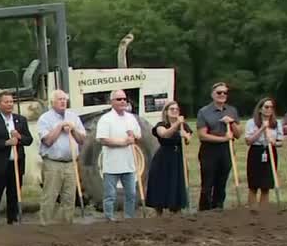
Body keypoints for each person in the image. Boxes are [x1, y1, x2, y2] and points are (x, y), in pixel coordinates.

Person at [0, 91, 33, 227]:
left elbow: (29, 140)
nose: (10, 104)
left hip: (16, 163)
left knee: (14, 194)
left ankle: (13, 220)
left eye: (11, 101)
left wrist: (20, 137)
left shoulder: (20, 120)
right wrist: (5, 143)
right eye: (6, 102)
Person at [35, 89, 86, 225]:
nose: (63, 101)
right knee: (50, 195)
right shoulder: (45, 118)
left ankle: (66, 224)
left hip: (71, 163)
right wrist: (60, 126)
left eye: (64, 99)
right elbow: (47, 141)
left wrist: (73, 129)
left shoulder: (73, 117)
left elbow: (82, 140)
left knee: (69, 197)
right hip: (53, 163)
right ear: (52, 102)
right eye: (60, 99)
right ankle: (45, 225)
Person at [95, 90, 142, 220]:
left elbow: (138, 135)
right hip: (112, 165)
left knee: (131, 194)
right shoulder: (106, 119)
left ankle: (129, 218)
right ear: (112, 102)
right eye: (119, 99)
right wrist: (123, 142)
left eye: (124, 99)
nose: (122, 101)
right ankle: (109, 218)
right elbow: (103, 139)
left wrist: (134, 136)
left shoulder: (131, 118)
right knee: (110, 195)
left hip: (129, 164)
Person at [195, 82, 240, 210]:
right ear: (212, 95)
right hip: (209, 150)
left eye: (225, 93)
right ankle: (204, 210)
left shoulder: (232, 110)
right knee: (208, 183)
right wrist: (223, 139)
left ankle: (218, 209)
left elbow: (238, 134)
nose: (222, 95)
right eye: (219, 93)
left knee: (221, 182)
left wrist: (231, 123)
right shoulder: (204, 112)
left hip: (226, 150)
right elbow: (202, 135)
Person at [145, 101, 192, 215]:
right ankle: (159, 212)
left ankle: (176, 210)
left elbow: (188, 140)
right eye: (172, 109)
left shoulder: (184, 126)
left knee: (176, 183)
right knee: (161, 184)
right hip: (163, 158)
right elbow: (164, 134)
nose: (175, 111)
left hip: (178, 158)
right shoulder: (161, 125)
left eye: (177, 109)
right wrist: (176, 126)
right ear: (166, 112)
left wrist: (185, 136)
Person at [245, 97, 283, 206]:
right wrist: (262, 128)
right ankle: (252, 211)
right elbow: (248, 141)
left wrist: (274, 142)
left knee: (266, 185)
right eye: (266, 107)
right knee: (254, 184)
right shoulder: (251, 122)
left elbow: (280, 142)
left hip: (270, 151)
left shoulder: (277, 123)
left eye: (271, 107)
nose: (269, 109)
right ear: (260, 109)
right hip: (256, 152)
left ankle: (264, 212)